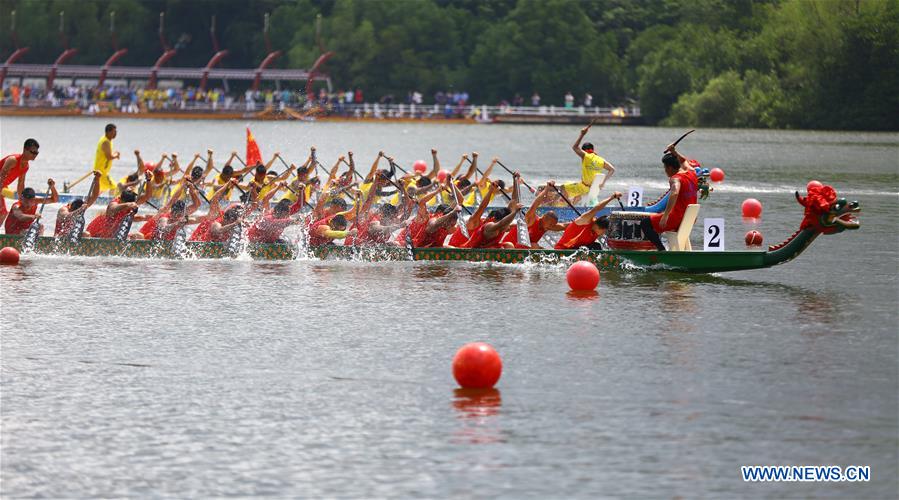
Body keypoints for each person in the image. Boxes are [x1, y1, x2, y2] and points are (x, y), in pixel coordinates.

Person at [642, 145, 699, 251]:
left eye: (665, 168)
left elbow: (674, 193)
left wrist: (665, 216)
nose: (665, 171)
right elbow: (684, 160)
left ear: (669, 167)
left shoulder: (676, 178)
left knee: (645, 223)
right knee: (655, 220)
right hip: (690, 218)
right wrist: (674, 151)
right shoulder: (692, 173)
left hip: (676, 218)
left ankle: (661, 250)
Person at [564, 122, 616, 203]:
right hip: (592, 188)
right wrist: (602, 183)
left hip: (584, 187)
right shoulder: (601, 160)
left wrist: (582, 134)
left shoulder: (586, 156)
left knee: (562, 188)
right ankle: (572, 205)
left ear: (584, 151)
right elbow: (612, 169)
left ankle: (562, 208)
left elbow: (574, 147)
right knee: (575, 190)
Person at [555, 192, 623, 250]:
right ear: (599, 227)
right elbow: (596, 209)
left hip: (576, 248)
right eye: (604, 231)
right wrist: (612, 197)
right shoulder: (586, 220)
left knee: (596, 246)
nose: (603, 234)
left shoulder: (597, 230)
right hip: (563, 250)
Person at [0, 138, 40, 226]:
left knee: (3, 214)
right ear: (25, 150)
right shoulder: (13, 160)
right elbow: (1, 177)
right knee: (2, 213)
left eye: (36, 153)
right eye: (32, 152)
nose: (35, 155)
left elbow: (21, 184)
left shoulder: (26, 166)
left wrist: (21, 200)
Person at [55, 171, 102, 238]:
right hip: (60, 237)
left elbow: (94, 196)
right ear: (70, 207)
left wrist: (97, 179)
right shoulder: (63, 209)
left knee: (86, 234)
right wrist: (80, 209)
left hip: (73, 236)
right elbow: (66, 216)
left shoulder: (82, 207)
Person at [94, 123, 120, 194]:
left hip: (102, 170)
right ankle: (110, 203)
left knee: (101, 189)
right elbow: (109, 157)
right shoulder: (105, 142)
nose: (115, 134)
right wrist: (116, 155)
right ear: (108, 132)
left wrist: (114, 154)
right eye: (114, 132)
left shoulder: (108, 140)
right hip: (101, 171)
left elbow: (108, 154)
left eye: (116, 132)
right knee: (114, 187)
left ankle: (97, 200)